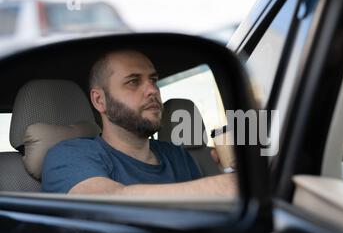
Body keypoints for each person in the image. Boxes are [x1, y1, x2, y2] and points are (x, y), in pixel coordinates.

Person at [41, 49, 237, 197]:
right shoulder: (69, 155)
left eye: (153, 80)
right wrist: (225, 186)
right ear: (100, 100)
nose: (152, 90)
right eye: (133, 81)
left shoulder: (177, 155)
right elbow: (109, 201)